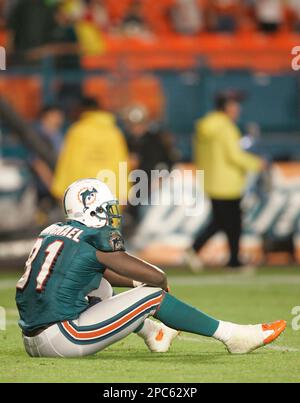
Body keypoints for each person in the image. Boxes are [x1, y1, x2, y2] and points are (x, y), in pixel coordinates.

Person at [15, 178, 286, 358]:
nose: (112, 214)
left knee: (102, 286)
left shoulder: (54, 230)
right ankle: (233, 336)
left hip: (33, 339)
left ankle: (154, 333)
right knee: (153, 296)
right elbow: (149, 273)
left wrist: (134, 284)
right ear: (92, 208)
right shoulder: (93, 236)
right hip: (63, 336)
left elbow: (95, 271)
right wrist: (156, 280)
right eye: (107, 208)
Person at [185, 91, 265, 272]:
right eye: (235, 104)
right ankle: (234, 261)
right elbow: (234, 155)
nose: (238, 109)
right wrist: (257, 163)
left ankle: (196, 251)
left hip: (212, 180)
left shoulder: (204, 126)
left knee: (223, 221)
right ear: (227, 107)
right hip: (228, 182)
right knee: (232, 223)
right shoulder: (226, 128)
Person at [51, 97, 129, 203]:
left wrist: (59, 189)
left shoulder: (77, 131)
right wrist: (125, 192)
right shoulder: (114, 132)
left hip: (80, 193)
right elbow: (122, 163)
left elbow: (67, 163)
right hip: (109, 191)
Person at [30, 105, 65, 202]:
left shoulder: (57, 135)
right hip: (44, 190)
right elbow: (38, 164)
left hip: (57, 185)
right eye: (56, 115)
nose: (60, 118)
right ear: (46, 116)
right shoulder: (39, 136)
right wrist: (54, 189)